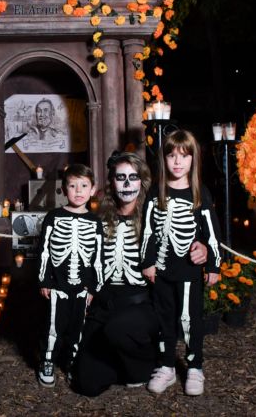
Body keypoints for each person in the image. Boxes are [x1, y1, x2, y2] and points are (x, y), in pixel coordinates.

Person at [71, 151, 210, 397]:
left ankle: (146, 364)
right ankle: (119, 360)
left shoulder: (155, 216)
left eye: (133, 177)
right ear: (111, 182)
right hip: (105, 306)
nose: (126, 184)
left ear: (142, 181)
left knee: (118, 329)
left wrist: (202, 246)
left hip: (143, 305)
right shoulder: (98, 221)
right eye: (120, 177)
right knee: (86, 384)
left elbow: (191, 233)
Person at [140, 130, 222, 397]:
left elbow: (211, 233)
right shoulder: (155, 193)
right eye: (172, 156)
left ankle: (195, 366)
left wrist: (213, 264)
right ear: (163, 159)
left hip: (189, 271)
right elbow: (148, 232)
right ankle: (166, 367)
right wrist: (147, 262)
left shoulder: (200, 193)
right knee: (164, 319)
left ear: (193, 160)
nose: (177, 162)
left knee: (189, 319)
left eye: (184, 157)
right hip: (162, 271)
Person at [36, 164, 103, 388]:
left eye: (84, 185)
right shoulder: (53, 217)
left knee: (78, 328)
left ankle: (72, 362)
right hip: (58, 287)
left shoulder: (95, 222)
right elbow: (44, 250)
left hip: (83, 289)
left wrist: (94, 287)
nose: (78, 191)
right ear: (64, 189)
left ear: (92, 190)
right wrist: (44, 280)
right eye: (72, 185)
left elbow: (98, 257)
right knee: (53, 327)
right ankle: (47, 361)